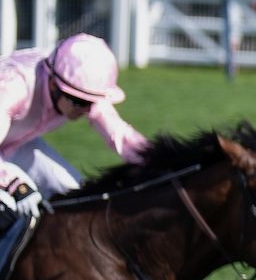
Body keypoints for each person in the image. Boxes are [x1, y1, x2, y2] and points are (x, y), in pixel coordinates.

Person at [0, 34, 151, 253]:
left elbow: (119, 135)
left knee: (79, 196)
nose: (85, 110)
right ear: (53, 83)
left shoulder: (77, 90)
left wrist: (158, 161)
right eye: (79, 102)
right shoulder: (14, 86)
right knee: (21, 205)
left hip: (12, 146)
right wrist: (15, 185)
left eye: (91, 103)